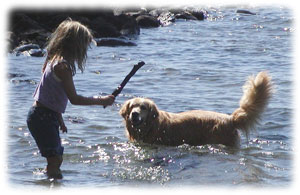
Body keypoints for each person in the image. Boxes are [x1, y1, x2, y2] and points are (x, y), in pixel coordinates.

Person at [26, 19, 115, 179]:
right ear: (75, 46)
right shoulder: (62, 67)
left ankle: (48, 182)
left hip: (43, 115)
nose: (85, 52)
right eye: (84, 47)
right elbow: (74, 99)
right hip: (42, 117)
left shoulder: (52, 60)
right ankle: (53, 184)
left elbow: (49, 95)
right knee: (55, 159)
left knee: (56, 158)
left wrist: (59, 118)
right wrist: (101, 100)